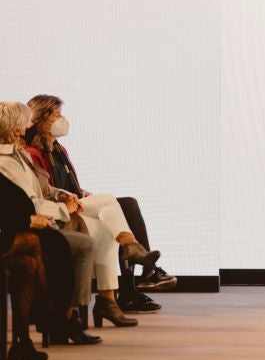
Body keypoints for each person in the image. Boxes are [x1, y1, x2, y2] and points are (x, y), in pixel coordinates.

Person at [25, 95, 176, 315]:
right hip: (62, 214)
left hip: (75, 204)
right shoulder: (33, 154)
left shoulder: (59, 150)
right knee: (115, 205)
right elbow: (44, 194)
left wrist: (81, 193)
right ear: (42, 120)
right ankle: (139, 279)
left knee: (126, 206)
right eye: (58, 115)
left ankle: (133, 284)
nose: (63, 120)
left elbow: (68, 186)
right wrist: (71, 197)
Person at [0, 102, 99, 345]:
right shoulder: (6, 160)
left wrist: (62, 195)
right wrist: (63, 209)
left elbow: (38, 190)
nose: (30, 124)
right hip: (23, 226)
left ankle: (63, 317)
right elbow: (26, 204)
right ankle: (62, 317)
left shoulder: (20, 154)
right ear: (15, 127)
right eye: (26, 121)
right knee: (71, 243)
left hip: (35, 220)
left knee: (81, 238)